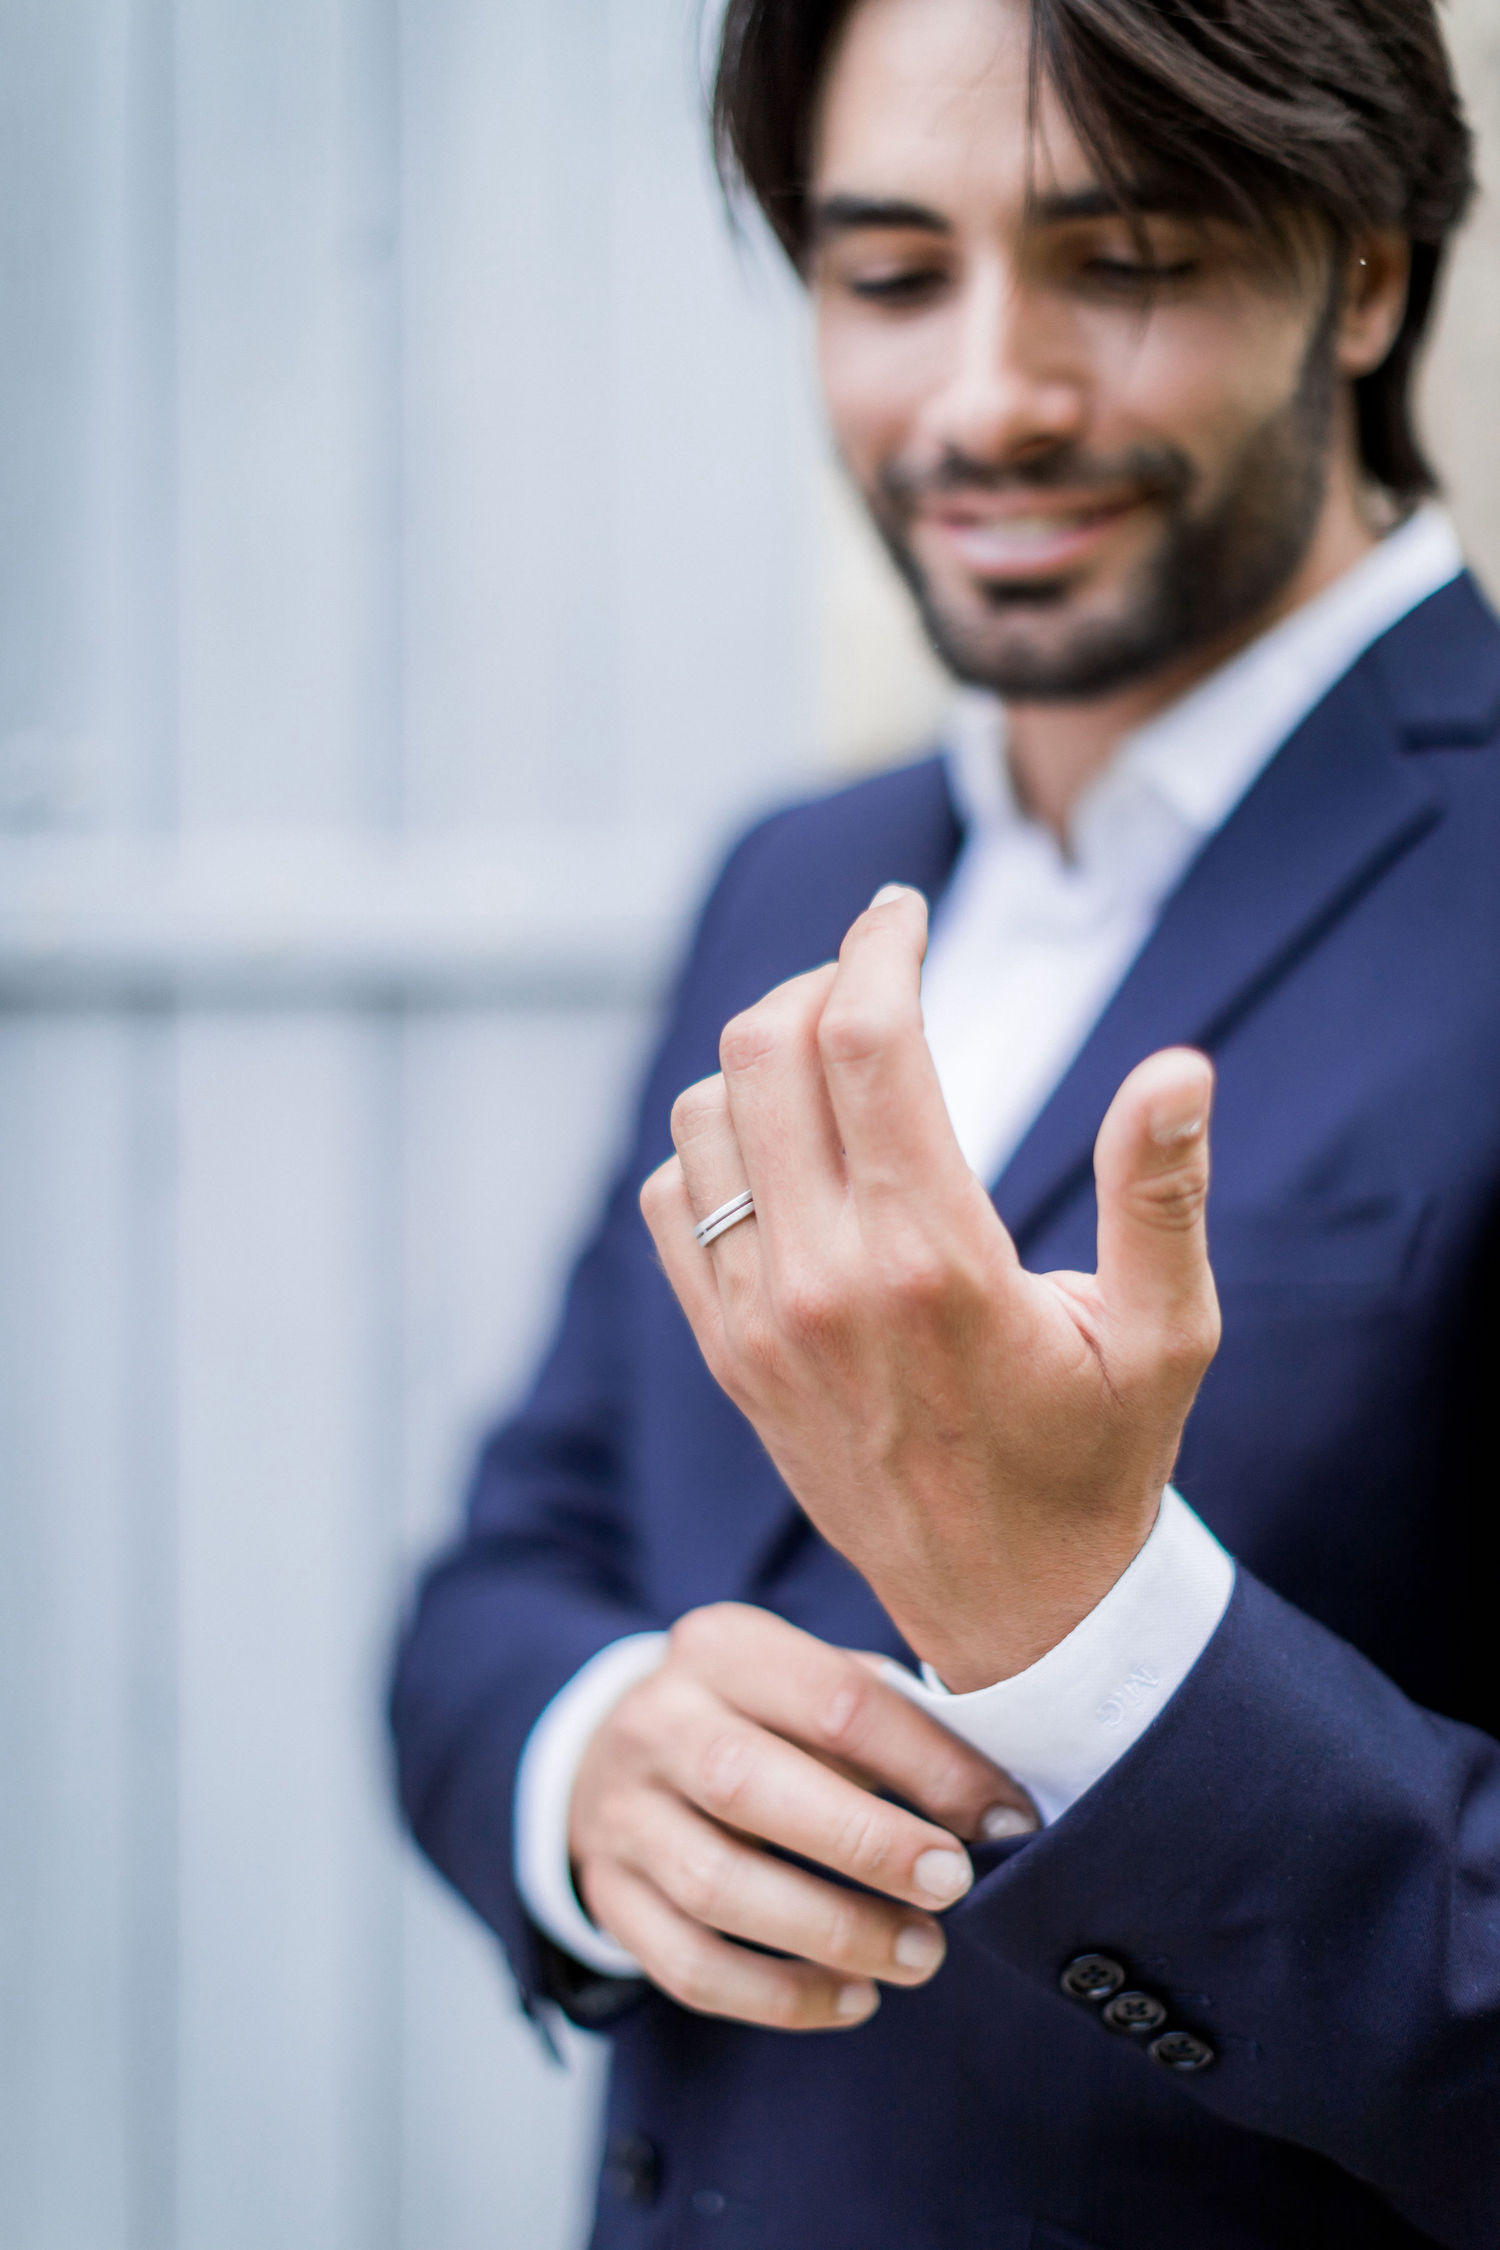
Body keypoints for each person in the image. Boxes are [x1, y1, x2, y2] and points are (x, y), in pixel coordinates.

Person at [391, 0, 1500, 2242]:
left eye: (1131, 261)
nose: (988, 395)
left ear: (1367, 268)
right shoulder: (786, 882)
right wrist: (592, 1764)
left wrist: (1088, 1624)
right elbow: (511, 1569)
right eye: (890, 275)